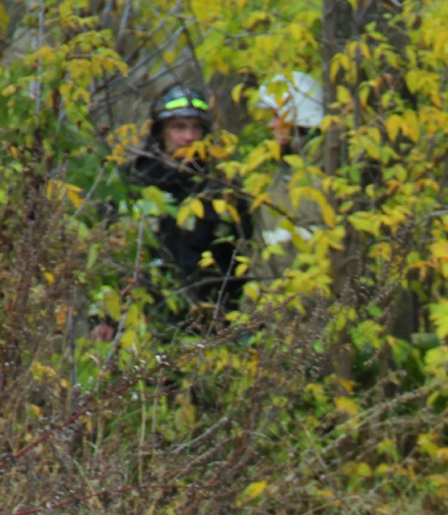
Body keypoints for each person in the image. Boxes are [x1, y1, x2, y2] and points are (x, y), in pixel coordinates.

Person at [117, 84, 253, 333]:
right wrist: (105, 319)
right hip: (139, 320)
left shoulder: (222, 187)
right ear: (160, 132)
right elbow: (108, 256)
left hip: (205, 321)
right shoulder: (130, 181)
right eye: (179, 127)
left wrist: (225, 316)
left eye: (196, 128)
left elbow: (238, 259)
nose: (189, 137)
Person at [247, 73, 327, 294]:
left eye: (276, 116)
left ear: (300, 119)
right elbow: (262, 264)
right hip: (282, 318)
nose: (271, 125)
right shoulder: (279, 179)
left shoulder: (326, 179)